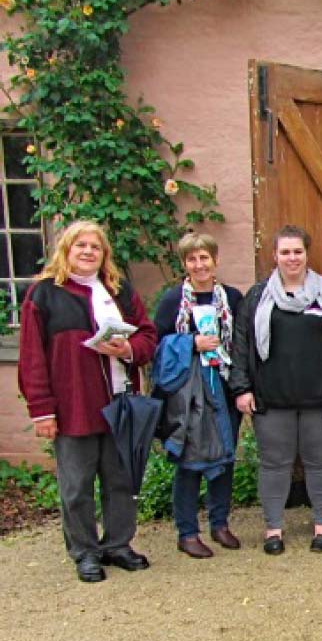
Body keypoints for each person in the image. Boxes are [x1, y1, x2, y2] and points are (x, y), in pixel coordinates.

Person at [18, 220, 158, 582]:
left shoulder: (118, 290)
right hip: (73, 405)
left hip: (119, 402)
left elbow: (147, 336)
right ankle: (85, 551)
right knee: (77, 485)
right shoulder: (44, 294)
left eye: (95, 247)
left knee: (120, 481)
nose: (88, 252)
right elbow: (32, 358)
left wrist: (128, 348)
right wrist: (42, 411)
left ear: (104, 254)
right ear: (67, 249)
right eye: (81, 245)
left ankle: (117, 545)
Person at [230, 225, 322, 555]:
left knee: (321, 463)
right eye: (285, 252)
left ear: (307, 254)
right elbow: (241, 345)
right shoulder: (256, 297)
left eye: (298, 251)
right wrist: (241, 387)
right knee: (274, 464)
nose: (292, 258)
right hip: (271, 398)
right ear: (274, 255)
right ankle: (273, 529)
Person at [153, 232, 244, 558]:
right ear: (184, 264)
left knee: (225, 456)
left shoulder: (232, 298)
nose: (199, 264)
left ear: (215, 260)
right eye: (192, 259)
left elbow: (243, 343)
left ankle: (220, 523)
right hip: (189, 391)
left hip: (223, 383)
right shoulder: (172, 301)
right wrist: (191, 343)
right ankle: (187, 531)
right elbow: (158, 346)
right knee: (190, 461)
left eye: (204, 257)